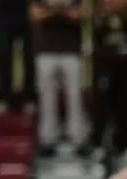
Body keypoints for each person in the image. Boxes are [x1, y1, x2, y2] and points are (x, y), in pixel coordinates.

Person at [31, 0, 87, 155]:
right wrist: (61, 9)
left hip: (71, 49)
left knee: (75, 97)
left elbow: (78, 14)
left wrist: (52, 10)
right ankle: (48, 139)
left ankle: (78, 138)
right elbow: (36, 15)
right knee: (46, 98)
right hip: (45, 49)